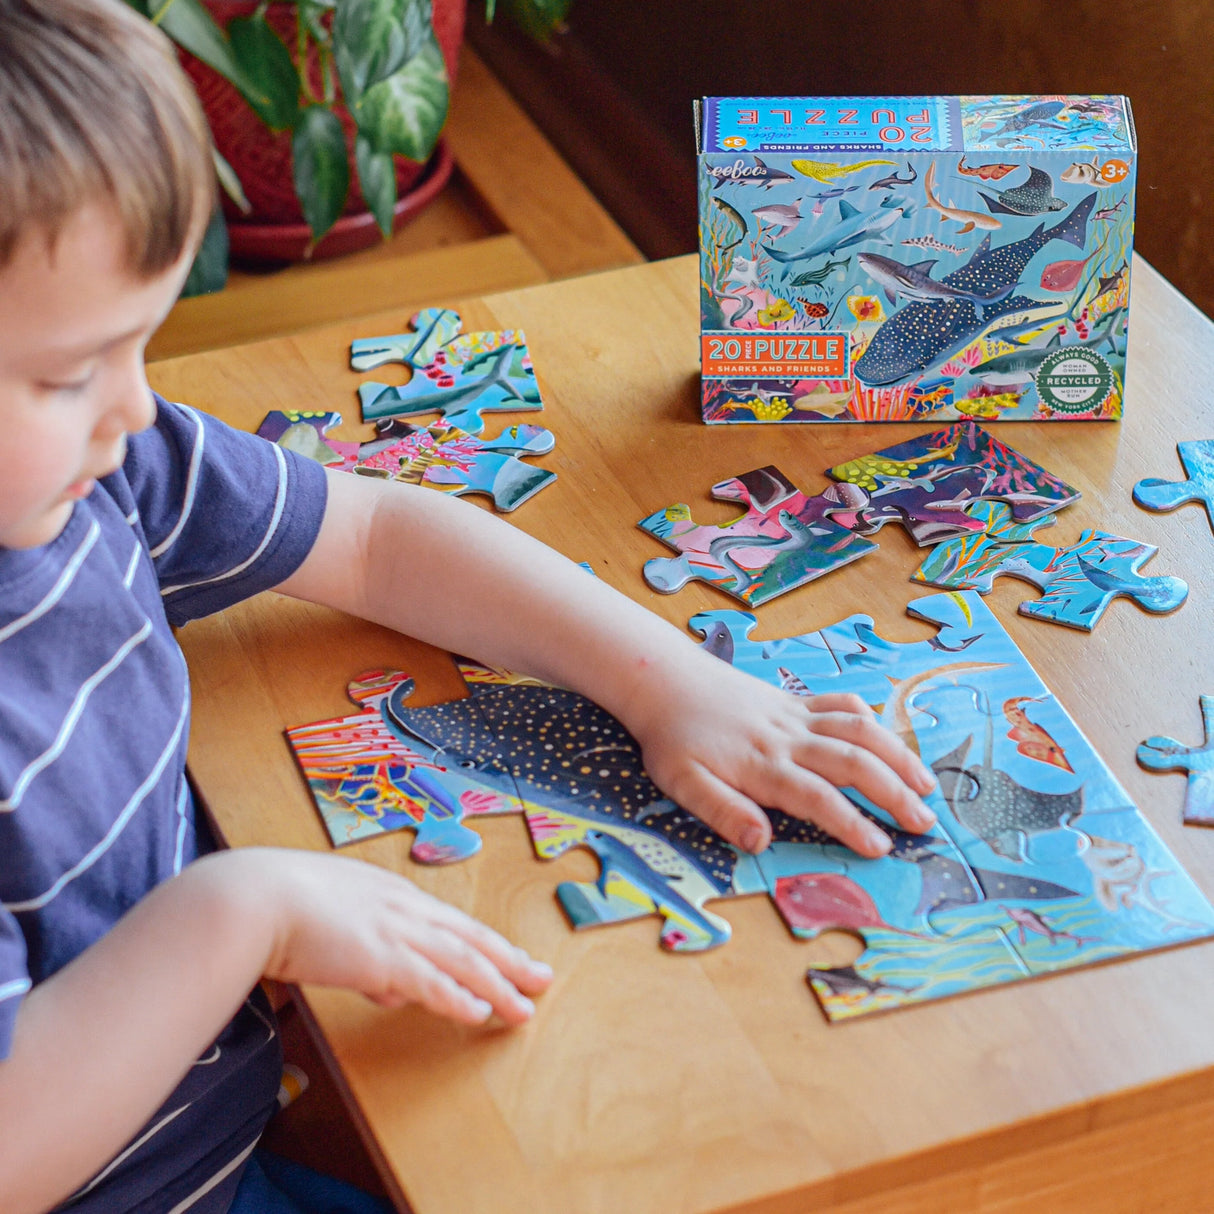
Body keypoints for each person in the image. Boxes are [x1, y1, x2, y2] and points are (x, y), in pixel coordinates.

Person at [0, 1, 938, 1211]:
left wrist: (675, 683)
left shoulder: (101, 469)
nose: (137, 405)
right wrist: (246, 910)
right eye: (73, 370)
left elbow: (379, 532)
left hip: (229, 1125)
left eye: (147, 345)